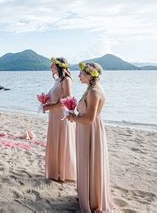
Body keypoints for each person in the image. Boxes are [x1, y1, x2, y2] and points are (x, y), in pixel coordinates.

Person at [67, 62, 113, 212]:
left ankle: (92, 199)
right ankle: (86, 194)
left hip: (90, 130)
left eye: (81, 73)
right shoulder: (90, 90)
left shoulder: (94, 92)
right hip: (85, 129)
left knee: (89, 160)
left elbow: (89, 119)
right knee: (85, 160)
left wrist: (73, 118)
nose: (79, 75)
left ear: (89, 74)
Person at [43, 57, 76, 181]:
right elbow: (56, 96)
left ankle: (64, 172)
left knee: (62, 140)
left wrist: (50, 106)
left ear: (59, 66)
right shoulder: (58, 81)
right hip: (54, 114)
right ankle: (55, 170)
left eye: (53, 65)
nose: (51, 67)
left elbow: (67, 99)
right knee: (55, 140)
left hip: (61, 115)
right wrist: (46, 101)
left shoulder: (66, 80)